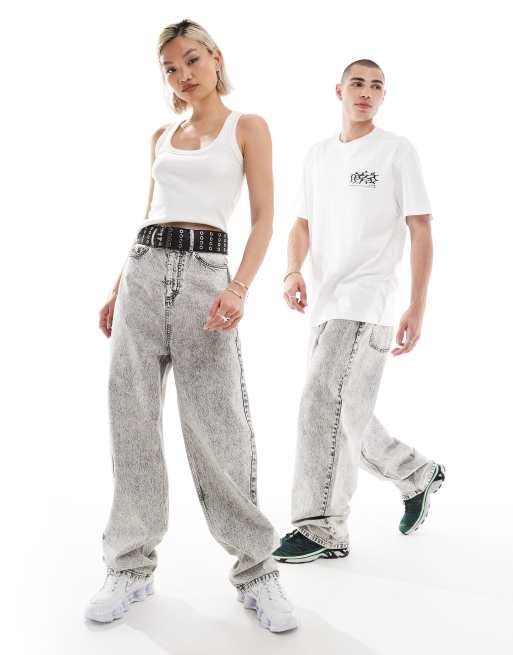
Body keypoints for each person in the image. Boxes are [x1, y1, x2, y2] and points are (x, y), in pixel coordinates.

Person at [85, 19, 297, 632]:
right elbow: (149, 211)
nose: (183, 75)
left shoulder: (246, 127)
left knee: (219, 427)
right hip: (143, 272)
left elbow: (264, 218)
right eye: (171, 68)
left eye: (192, 60)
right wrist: (117, 286)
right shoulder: (161, 135)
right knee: (132, 420)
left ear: (216, 58)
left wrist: (239, 286)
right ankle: (129, 566)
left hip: (208, 278)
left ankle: (257, 570)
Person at [273, 59, 445, 564]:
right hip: (325, 304)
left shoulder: (396, 150)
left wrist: (417, 303)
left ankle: (323, 527)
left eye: (376, 86)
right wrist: (291, 270)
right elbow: (301, 223)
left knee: (321, 404)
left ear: (383, 96)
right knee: (344, 410)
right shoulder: (318, 155)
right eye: (357, 84)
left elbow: (420, 227)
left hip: (368, 300)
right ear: (339, 91)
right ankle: (415, 472)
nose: (366, 92)